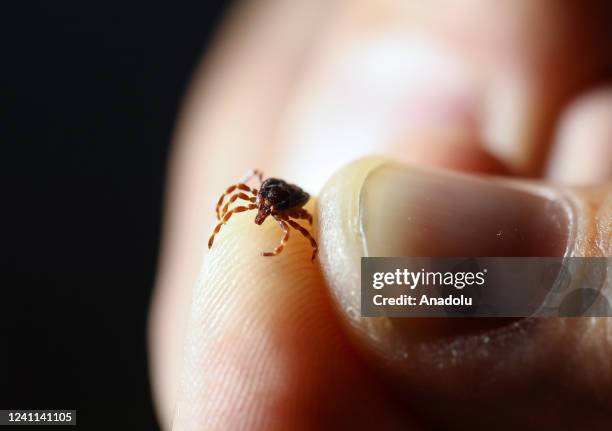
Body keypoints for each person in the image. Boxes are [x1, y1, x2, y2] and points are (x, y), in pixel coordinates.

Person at [149, 1, 612, 429]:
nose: (261, 212)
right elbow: (253, 197)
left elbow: (304, 233)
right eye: (263, 206)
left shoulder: (290, 212)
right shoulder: (265, 198)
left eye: (266, 207)